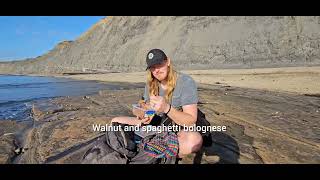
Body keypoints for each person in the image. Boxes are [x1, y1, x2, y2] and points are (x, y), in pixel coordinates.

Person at [111, 49, 203, 157]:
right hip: (154, 125)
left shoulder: (185, 82)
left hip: (175, 128)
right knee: (115, 121)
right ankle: (155, 146)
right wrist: (146, 115)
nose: (156, 70)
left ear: (168, 62)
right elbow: (148, 109)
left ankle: (153, 148)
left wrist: (167, 108)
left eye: (159, 65)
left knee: (194, 141)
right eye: (152, 68)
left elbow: (190, 120)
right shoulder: (151, 83)